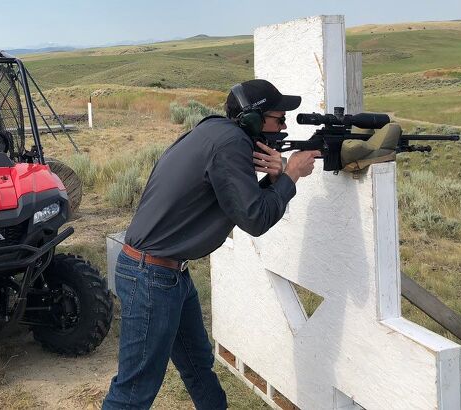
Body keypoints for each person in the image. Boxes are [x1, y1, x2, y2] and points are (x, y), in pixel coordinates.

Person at [102, 79, 320, 410]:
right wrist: (291, 177)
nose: (284, 126)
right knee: (134, 391)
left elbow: (237, 199)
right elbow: (255, 219)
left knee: (197, 365)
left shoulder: (216, 133)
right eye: (279, 118)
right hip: (152, 278)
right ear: (252, 118)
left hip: (167, 273)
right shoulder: (232, 144)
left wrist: (276, 179)